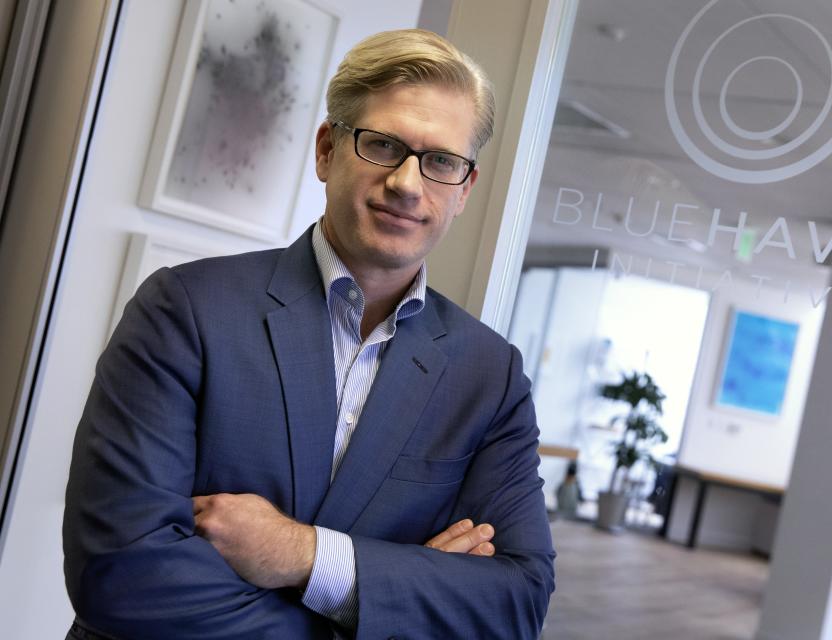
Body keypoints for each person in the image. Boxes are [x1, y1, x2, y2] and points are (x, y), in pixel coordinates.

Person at [63, 29, 554, 639]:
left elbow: (515, 604)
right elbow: (121, 575)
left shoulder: (490, 374)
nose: (406, 183)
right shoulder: (186, 309)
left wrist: (304, 556)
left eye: (441, 162)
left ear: (463, 190)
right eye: (381, 145)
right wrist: (391, 599)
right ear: (327, 150)